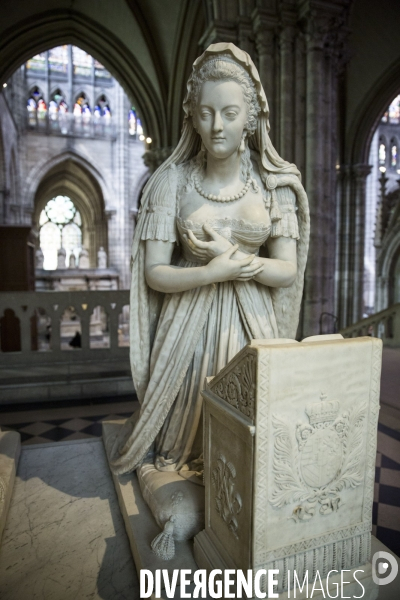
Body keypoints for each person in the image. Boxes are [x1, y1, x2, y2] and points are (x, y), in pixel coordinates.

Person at [109, 42, 310, 476]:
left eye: (230, 113)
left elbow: (288, 269)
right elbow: (154, 274)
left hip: (252, 324)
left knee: (250, 430)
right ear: (193, 118)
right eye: (206, 113)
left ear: (251, 118)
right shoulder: (171, 184)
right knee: (184, 438)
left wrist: (239, 264)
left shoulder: (274, 187)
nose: (217, 126)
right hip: (186, 324)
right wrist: (210, 272)